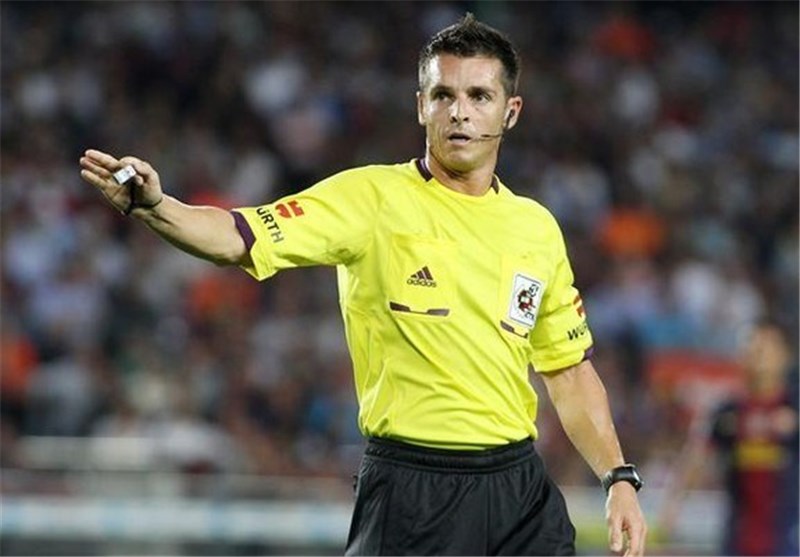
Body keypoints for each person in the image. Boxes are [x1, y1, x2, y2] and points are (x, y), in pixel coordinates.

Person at [80, 13, 646, 556]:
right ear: (421, 105)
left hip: (518, 488)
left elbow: (568, 371)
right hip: (414, 487)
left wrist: (617, 477)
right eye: (443, 95)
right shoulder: (370, 199)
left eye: (479, 96)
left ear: (511, 110)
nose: (460, 113)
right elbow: (237, 236)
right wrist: (158, 207)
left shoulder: (536, 228)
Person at [660, 319, 798, 556]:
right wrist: (673, 506)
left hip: (788, 539)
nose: (758, 355)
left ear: (785, 356)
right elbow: (696, 456)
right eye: (752, 347)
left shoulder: (794, 407)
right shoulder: (727, 412)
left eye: (766, 348)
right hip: (737, 539)